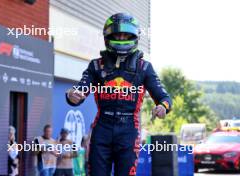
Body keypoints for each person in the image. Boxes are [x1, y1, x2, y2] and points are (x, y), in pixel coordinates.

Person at [66, 13, 172, 176]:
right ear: (108, 36)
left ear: (134, 36)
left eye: (126, 35)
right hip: (102, 128)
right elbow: (80, 91)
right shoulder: (95, 65)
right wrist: (71, 95)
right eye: (117, 34)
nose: (121, 38)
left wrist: (162, 107)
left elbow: (165, 98)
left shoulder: (144, 67)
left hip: (129, 129)